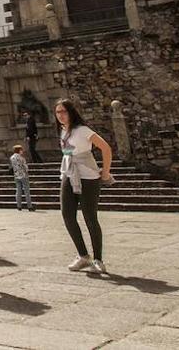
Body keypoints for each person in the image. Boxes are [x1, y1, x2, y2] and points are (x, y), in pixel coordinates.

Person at [56, 98, 114, 275]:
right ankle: (83, 255)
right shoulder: (63, 131)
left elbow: (105, 148)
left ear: (71, 112)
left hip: (88, 175)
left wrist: (105, 171)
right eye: (57, 112)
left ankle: (98, 259)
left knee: (90, 217)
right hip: (69, 173)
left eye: (63, 111)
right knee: (67, 214)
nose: (60, 115)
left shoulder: (83, 130)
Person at [10, 143, 34, 211]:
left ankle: (19, 206)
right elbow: (26, 167)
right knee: (27, 191)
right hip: (23, 175)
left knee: (18, 191)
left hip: (16, 175)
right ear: (19, 150)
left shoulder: (12, 158)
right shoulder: (21, 158)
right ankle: (29, 206)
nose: (22, 151)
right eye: (21, 150)